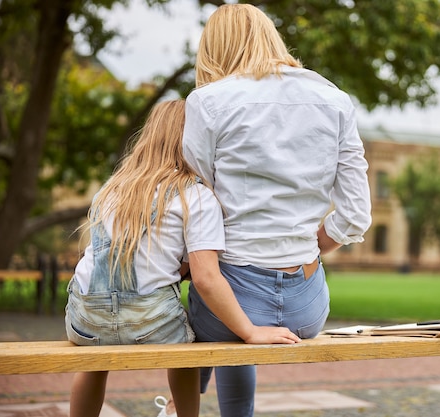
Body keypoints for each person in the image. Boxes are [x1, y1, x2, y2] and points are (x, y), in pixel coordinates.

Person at [180, 4, 372, 417]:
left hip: (229, 297)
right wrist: (312, 247)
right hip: (307, 306)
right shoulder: (334, 99)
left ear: (215, 48)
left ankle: (184, 409)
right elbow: (356, 214)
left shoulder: (206, 103)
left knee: (203, 309)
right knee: (230, 314)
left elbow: (197, 200)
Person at [64, 99, 301, 417]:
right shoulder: (196, 196)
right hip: (150, 324)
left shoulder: (110, 190)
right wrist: (250, 331)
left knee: (94, 361)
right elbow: (205, 278)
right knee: (189, 351)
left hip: (85, 322)